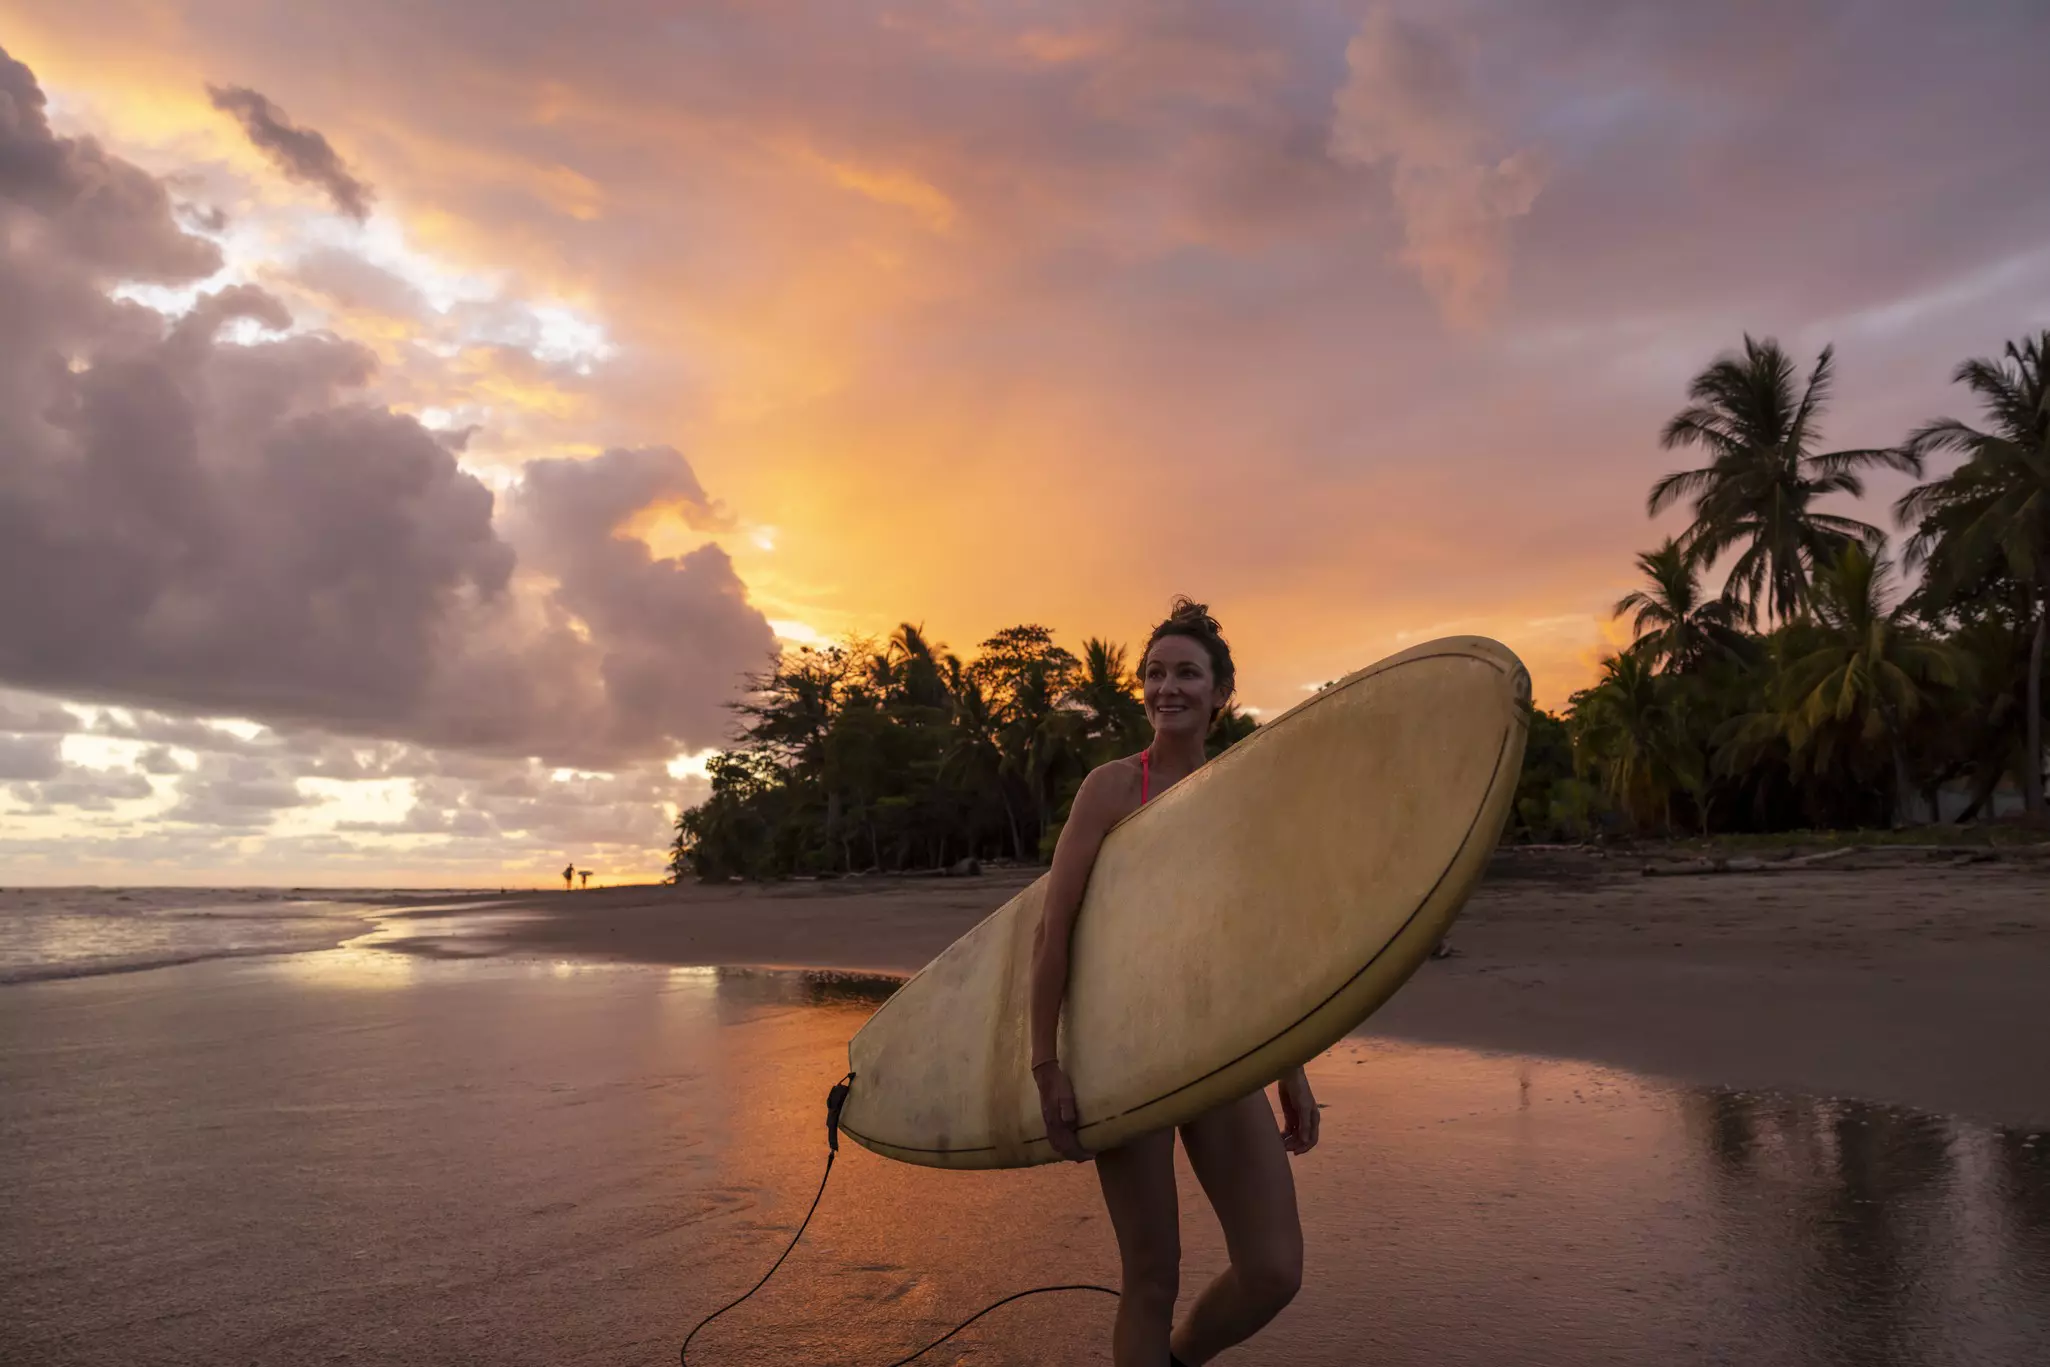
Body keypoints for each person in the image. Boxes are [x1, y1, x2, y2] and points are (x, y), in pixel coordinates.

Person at [1028, 597, 1318, 1367]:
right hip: (1123, 1053)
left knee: (1273, 1267)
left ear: (1221, 691)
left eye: (1187, 672)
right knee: (1151, 1276)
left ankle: (1181, 1359)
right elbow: (1052, 931)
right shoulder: (1112, 790)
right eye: (1155, 673)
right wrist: (1046, 1065)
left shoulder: (1238, 793)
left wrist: (1290, 1064)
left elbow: (1253, 944)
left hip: (1219, 1044)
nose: (1168, 687)